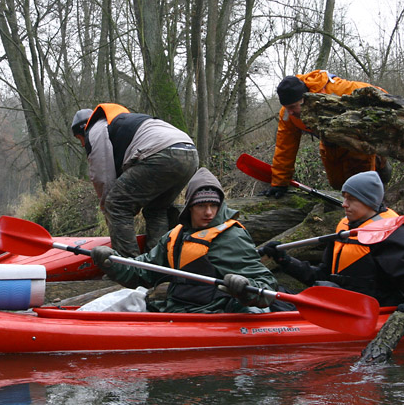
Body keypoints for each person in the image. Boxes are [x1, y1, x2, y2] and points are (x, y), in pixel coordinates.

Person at [90, 167, 278, 313]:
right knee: (126, 298)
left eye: (214, 205)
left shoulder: (231, 236)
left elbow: (266, 283)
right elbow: (143, 272)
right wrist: (111, 262)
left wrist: (245, 287)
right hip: (177, 309)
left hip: (216, 312)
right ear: (190, 208)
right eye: (201, 206)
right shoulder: (175, 236)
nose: (209, 212)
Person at [261, 171, 404, 311]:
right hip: (340, 304)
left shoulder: (393, 233)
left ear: (368, 201)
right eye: (344, 197)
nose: (344, 204)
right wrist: (285, 261)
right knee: (271, 295)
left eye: (351, 199)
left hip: (371, 311)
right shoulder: (345, 228)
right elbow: (322, 275)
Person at [71, 104, 199, 257]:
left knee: (116, 204)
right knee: (156, 209)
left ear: (84, 129)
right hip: (190, 153)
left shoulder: (95, 130)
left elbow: (102, 178)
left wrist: (109, 212)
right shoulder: (122, 123)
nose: (82, 144)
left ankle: (128, 265)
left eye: (79, 139)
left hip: (162, 154)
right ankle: (157, 261)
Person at [262, 70, 391, 198]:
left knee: (361, 185)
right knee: (337, 183)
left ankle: (378, 166)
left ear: (305, 99)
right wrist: (279, 183)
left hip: (357, 140)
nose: (290, 112)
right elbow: (284, 148)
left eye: (293, 107)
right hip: (330, 144)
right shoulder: (287, 114)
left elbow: (381, 95)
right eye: (286, 107)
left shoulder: (337, 90)